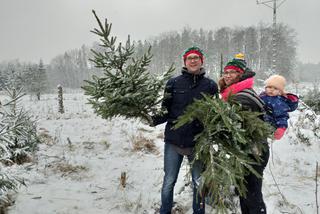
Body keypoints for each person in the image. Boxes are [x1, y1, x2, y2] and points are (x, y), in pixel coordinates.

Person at [151, 46, 218, 214]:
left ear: (201, 61)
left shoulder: (210, 85)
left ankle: (199, 211)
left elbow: (216, 114)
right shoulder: (173, 83)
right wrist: (151, 119)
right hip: (174, 141)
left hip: (198, 143)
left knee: (198, 182)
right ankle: (165, 211)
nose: (193, 60)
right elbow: (165, 110)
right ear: (185, 62)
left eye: (196, 58)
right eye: (190, 58)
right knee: (169, 181)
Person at [219, 53, 269, 214]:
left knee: (252, 196)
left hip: (254, 152)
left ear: (240, 74)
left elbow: (234, 125)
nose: (227, 75)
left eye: (231, 72)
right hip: (246, 151)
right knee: (244, 193)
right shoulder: (237, 93)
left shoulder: (243, 97)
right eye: (225, 72)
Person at [259, 74, 299, 140]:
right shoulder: (262, 96)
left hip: (268, 126)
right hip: (257, 123)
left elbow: (282, 116)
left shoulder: (279, 102)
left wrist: (281, 128)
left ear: (280, 91)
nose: (271, 90)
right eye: (269, 87)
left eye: (275, 88)